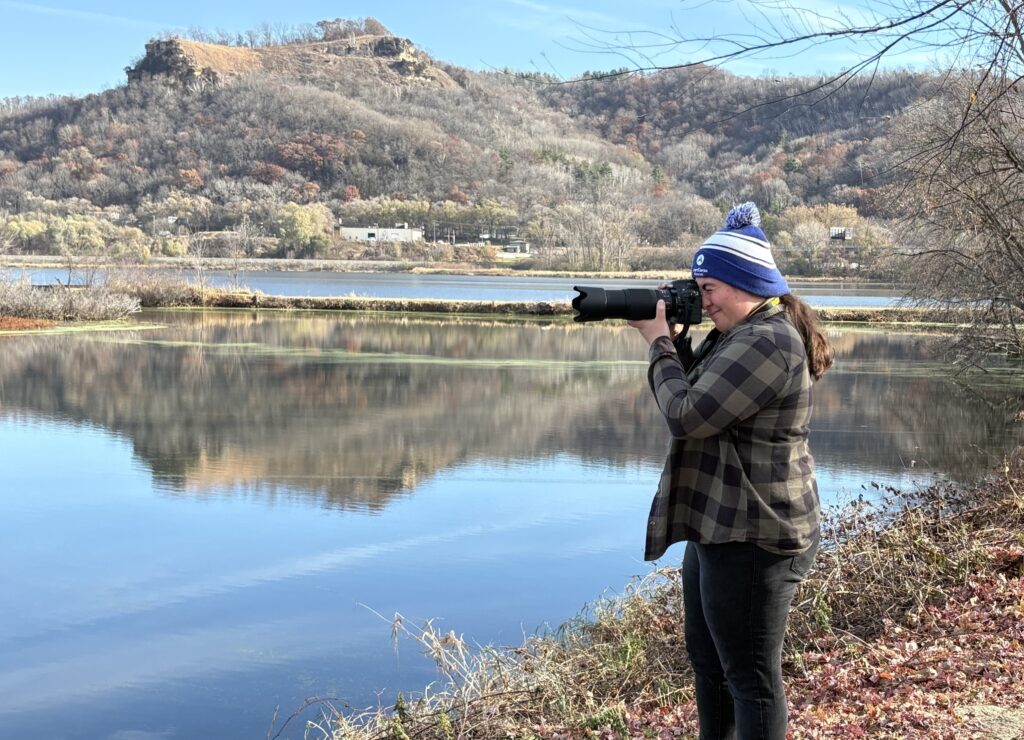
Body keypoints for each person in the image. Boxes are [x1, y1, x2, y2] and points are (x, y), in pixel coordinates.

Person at [628, 202, 833, 740]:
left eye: (710, 286)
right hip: (721, 525)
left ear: (746, 283)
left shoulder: (768, 340)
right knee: (710, 666)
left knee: (750, 679)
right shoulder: (738, 332)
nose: (703, 298)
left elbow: (687, 415)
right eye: (698, 286)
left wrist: (657, 343)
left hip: (758, 533)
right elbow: (700, 392)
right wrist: (677, 339)